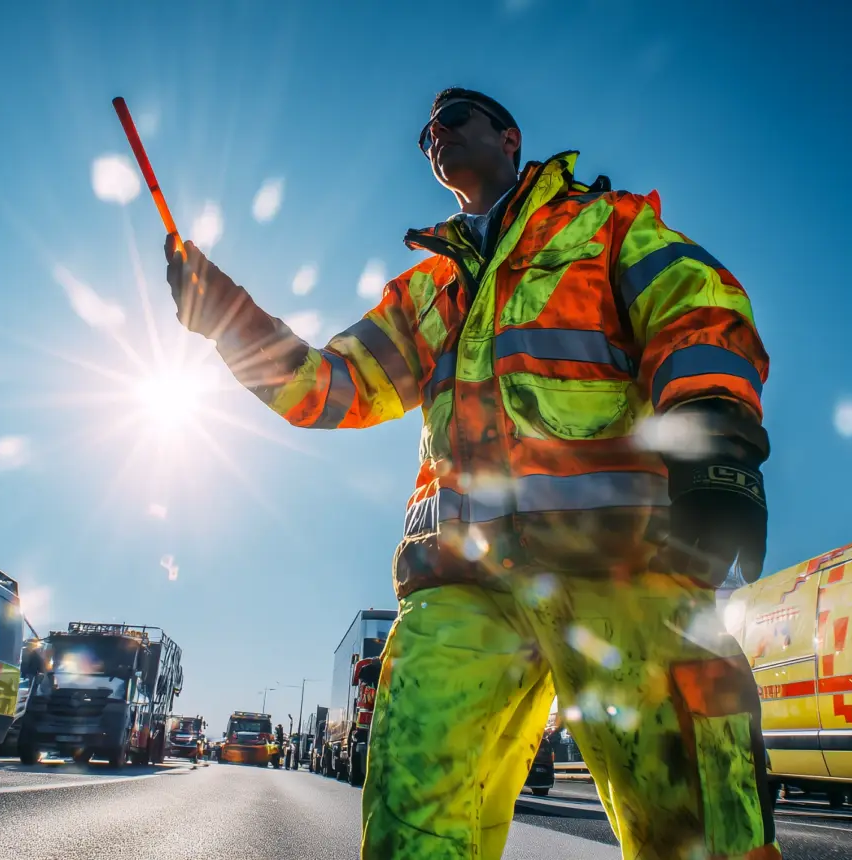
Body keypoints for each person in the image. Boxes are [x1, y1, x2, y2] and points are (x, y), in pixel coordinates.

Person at [165, 88, 777, 860]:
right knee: (411, 811)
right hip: (464, 582)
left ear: (509, 136)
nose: (433, 138)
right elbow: (331, 387)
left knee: (697, 824)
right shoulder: (430, 290)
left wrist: (718, 446)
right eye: (424, 134)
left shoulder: (607, 228)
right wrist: (226, 315)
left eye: (451, 120)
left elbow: (697, 309)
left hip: (623, 564)